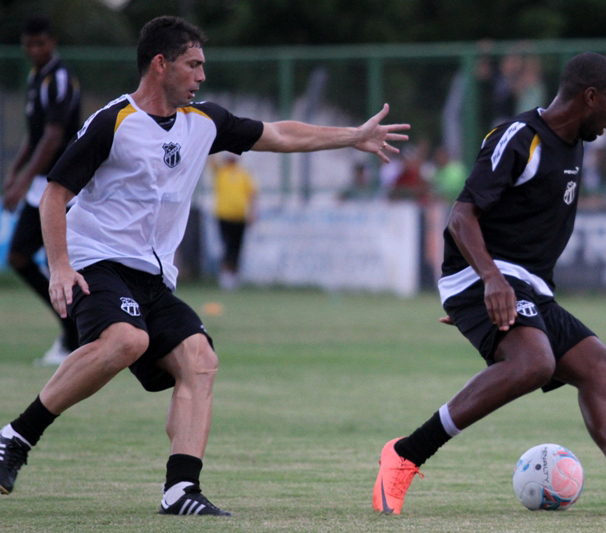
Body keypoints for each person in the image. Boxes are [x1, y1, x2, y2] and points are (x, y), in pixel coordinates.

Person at [0, 16, 409, 516]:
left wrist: (351, 136)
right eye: (192, 65)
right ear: (160, 64)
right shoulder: (114, 122)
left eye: (202, 66)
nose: (200, 76)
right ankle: (16, 437)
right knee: (128, 340)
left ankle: (180, 491)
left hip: (153, 277)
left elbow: (279, 134)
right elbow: (54, 195)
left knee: (200, 360)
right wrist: (60, 267)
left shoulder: (204, 122)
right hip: (98, 260)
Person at [372, 52, 606, 519]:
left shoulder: (576, 142)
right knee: (535, 362)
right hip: (485, 274)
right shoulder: (519, 137)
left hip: (528, 285)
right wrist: (486, 283)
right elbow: (461, 215)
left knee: (602, 368)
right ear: (590, 97)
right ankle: (407, 454)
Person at [2, 16, 81, 366]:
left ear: (52, 42)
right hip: (41, 183)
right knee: (22, 256)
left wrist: (22, 181)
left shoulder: (60, 77)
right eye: (28, 45)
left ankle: (75, 335)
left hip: (63, 185)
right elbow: (33, 136)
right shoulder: (36, 77)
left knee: (58, 259)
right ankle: (73, 333)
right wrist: (15, 171)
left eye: (40, 43)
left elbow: (52, 137)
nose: (34, 50)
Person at [212, 154, 257, 290]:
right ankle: (225, 275)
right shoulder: (221, 171)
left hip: (240, 217)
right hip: (224, 216)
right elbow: (210, 158)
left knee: (237, 247)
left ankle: (234, 275)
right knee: (227, 245)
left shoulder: (243, 174)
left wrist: (252, 213)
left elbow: (252, 194)